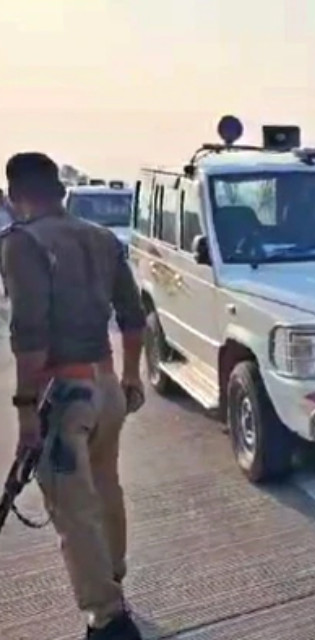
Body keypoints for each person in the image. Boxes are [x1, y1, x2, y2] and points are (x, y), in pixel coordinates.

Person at [1, 153, 147, 638]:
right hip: (106, 386)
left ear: (14, 195)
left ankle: (108, 619)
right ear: (61, 191)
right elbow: (132, 314)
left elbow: (30, 333)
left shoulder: (23, 242)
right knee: (106, 489)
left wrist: (25, 411)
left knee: (73, 508)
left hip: (63, 397)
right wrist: (130, 378)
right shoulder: (102, 238)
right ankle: (115, 576)